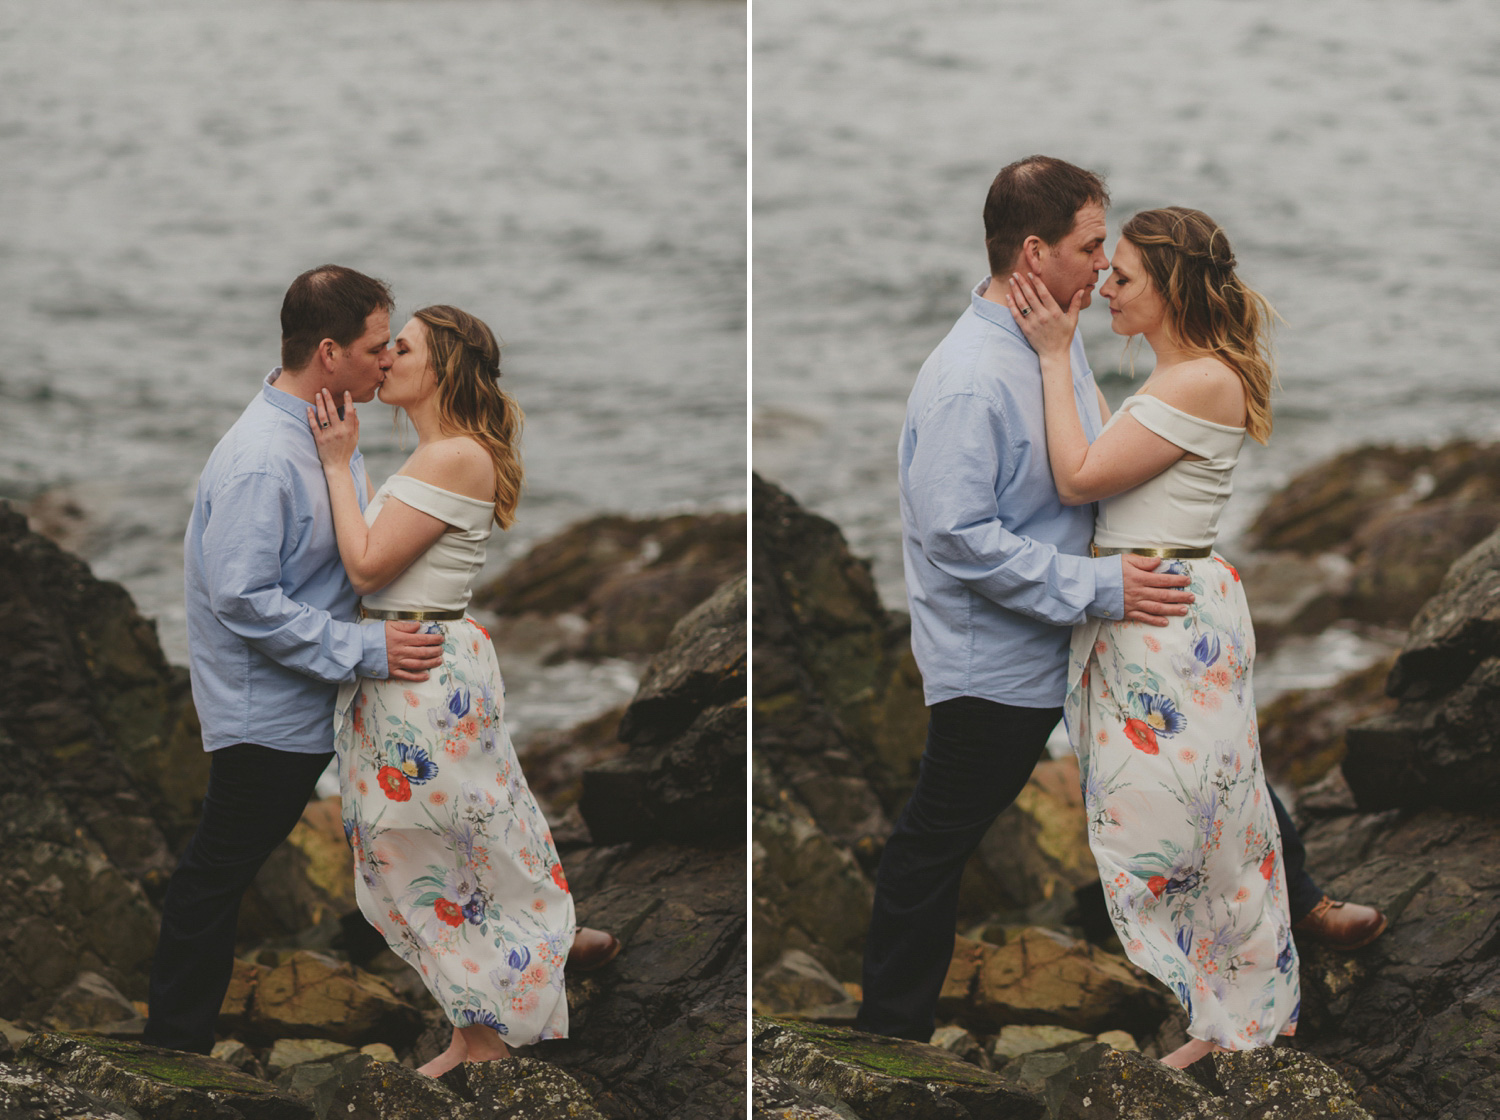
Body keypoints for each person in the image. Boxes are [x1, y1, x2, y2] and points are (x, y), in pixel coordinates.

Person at [855, 157, 1385, 1053]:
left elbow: (1102, 473)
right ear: (1035, 251)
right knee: (933, 842)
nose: (1103, 268)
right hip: (1008, 654)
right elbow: (957, 536)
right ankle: (889, 1035)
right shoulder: (973, 378)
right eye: (1091, 246)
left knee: (1213, 767)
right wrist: (1104, 584)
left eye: (1112, 253)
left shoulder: (1045, 343)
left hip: (1092, 628)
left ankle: (1294, 915)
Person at [1007, 205, 1302, 1064]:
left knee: (1203, 826)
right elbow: (1108, 456)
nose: (1104, 285)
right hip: (1145, 605)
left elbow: (1079, 477)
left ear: (1169, 286)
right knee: (1204, 821)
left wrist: (1055, 356)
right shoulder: (1180, 376)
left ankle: (1235, 1023)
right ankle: (1235, 1014)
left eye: (1124, 275)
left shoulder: (1200, 379)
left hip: (1167, 614)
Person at [306, 304, 618, 1078]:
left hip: (419, 672)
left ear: (440, 367)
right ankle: (528, 967)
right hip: (407, 664)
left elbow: (369, 568)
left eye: (400, 349)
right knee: (455, 833)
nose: (383, 361)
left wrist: (338, 464)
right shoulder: (437, 453)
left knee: (426, 843)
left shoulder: (452, 457)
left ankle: (490, 1025)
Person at [145, 265, 448, 1054]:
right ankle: (173, 1048)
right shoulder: (261, 459)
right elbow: (242, 599)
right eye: (378, 347)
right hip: (269, 714)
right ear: (328, 350)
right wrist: (367, 649)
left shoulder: (326, 423)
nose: (389, 360)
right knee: (213, 876)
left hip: (319, 697)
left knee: (407, 832)